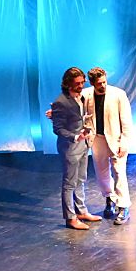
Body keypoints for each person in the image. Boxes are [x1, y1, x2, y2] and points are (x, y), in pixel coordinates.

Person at [50, 66, 101, 230]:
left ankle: (81, 211)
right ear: (68, 83)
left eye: (82, 82)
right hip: (70, 148)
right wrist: (74, 136)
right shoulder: (61, 102)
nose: (81, 86)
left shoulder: (82, 97)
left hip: (84, 145)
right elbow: (58, 129)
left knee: (81, 180)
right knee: (69, 184)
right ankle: (70, 218)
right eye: (77, 83)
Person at [86, 67, 133, 225]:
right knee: (101, 172)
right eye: (99, 83)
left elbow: (126, 121)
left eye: (105, 81)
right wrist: (56, 113)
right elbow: (73, 109)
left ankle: (123, 206)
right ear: (92, 83)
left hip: (116, 138)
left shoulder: (118, 94)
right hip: (97, 138)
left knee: (119, 171)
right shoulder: (86, 95)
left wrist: (124, 142)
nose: (103, 85)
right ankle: (110, 199)